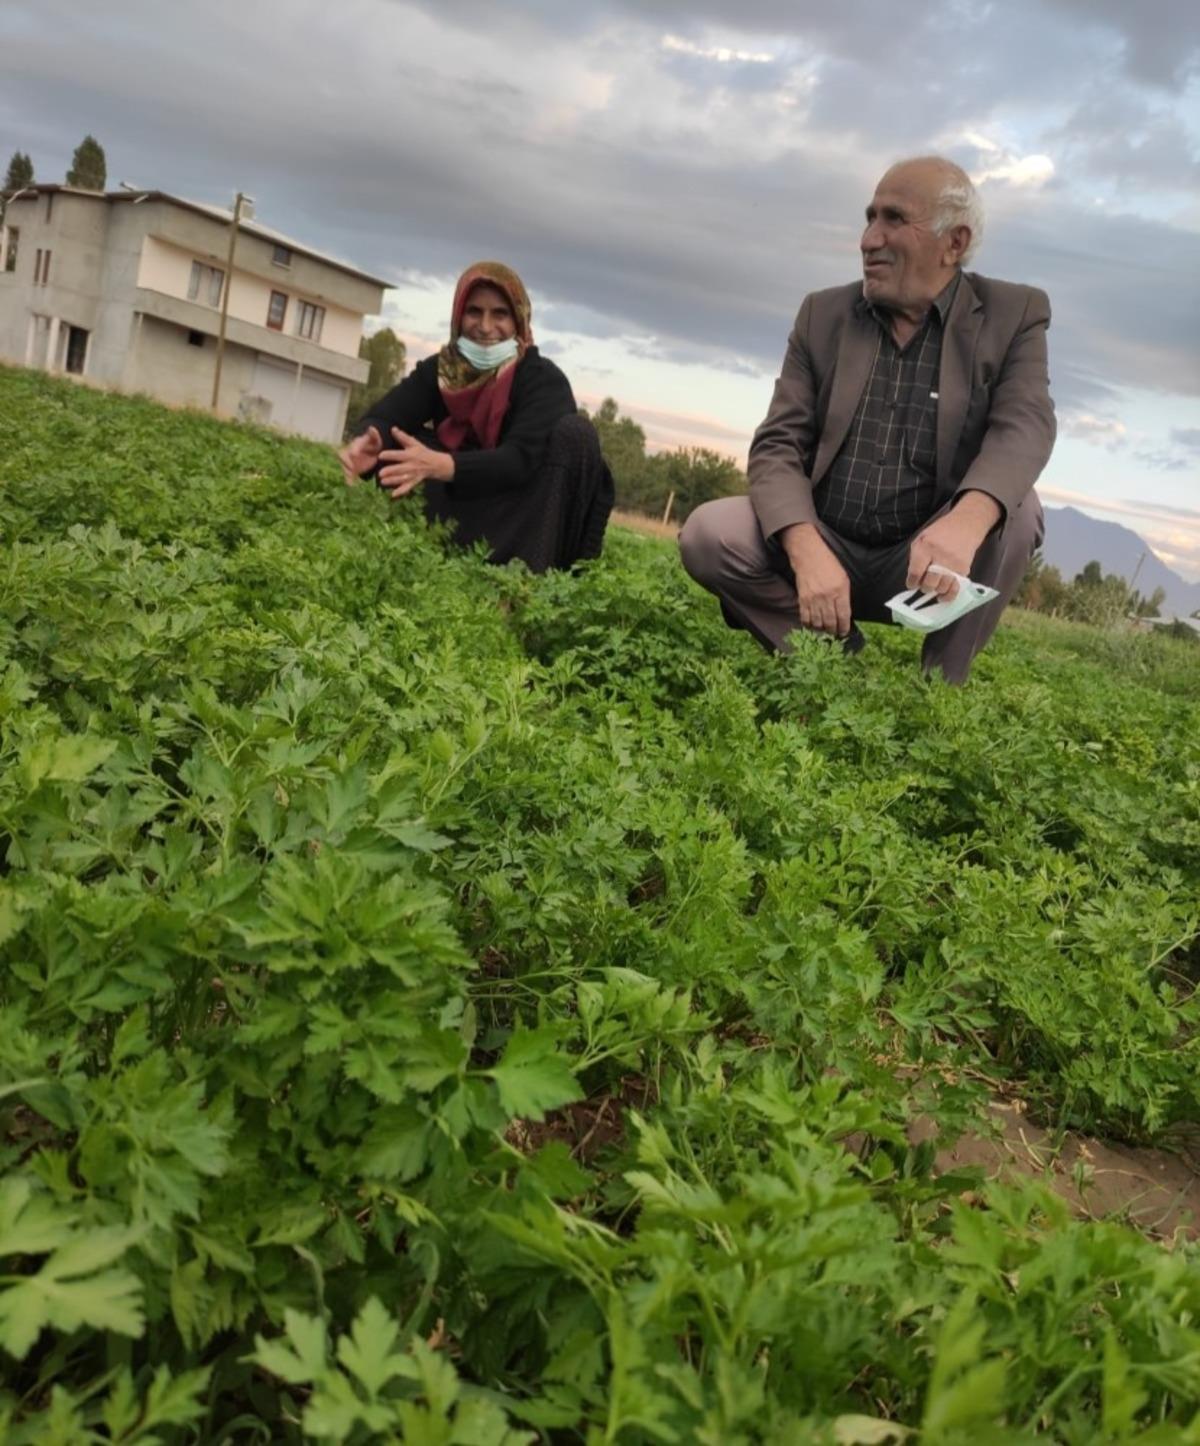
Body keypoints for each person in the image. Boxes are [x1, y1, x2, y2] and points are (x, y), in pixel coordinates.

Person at [679, 156, 1055, 683]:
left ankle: (940, 688)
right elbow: (777, 447)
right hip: (827, 545)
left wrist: (966, 523)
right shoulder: (823, 314)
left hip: (926, 564)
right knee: (709, 533)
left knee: (1018, 508)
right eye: (870, 217)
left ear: (954, 243)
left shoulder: (1013, 315)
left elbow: (1026, 425)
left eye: (894, 219)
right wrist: (805, 548)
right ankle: (831, 663)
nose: (868, 239)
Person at [339, 261, 613, 572]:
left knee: (576, 434)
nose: (484, 326)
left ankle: (528, 574)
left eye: (500, 314)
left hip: (527, 513)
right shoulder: (442, 370)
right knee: (401, 443)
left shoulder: (543, 380)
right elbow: (390, 414)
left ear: (519, 320)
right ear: (458, 315)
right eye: (474, 312)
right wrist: (372, 437)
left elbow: (518, 460)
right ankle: (435, 545)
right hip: (467, 498)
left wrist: (442, 465)